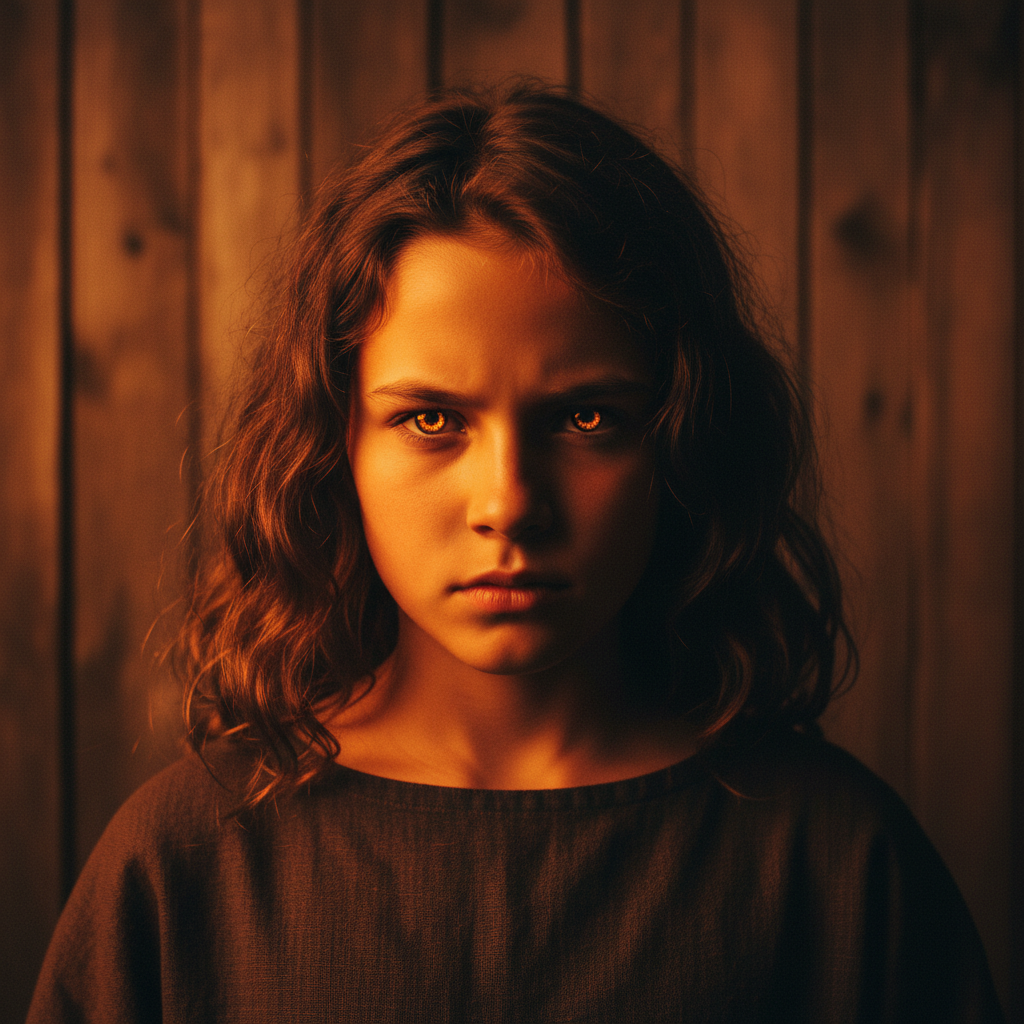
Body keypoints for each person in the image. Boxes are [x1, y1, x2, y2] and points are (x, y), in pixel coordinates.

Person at [28, 83, 1004, 1023]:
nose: (508, 503)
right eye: (430, 419)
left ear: (679, 437)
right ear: (335, 447)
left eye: (585, 417)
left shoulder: (833, 862)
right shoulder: (186, 863)